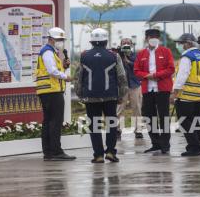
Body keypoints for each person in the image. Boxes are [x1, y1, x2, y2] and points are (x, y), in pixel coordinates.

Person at [75, 28, 128, 163]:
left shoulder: (84, 56)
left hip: (90, 97)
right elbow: (122, 77)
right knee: (111, 124)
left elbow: (78, 77)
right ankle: (110, 152)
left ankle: (98, 155)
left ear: (91, 41)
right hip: (110, 96)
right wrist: (121, 95)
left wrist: (80, 94)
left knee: (94, 126)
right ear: (105, 41)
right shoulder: (114, 56)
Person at [36, 27, 76, 161]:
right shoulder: (47, 51)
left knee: (48, 122)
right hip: (51, 91)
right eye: (59, 39)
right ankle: (56, 151)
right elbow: (51, 70)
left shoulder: (52, 52)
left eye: (62, 40)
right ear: (51, 39)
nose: (61, 42)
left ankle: (48, 152)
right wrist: (66, 76)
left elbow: (54, 69)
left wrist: (64, 66)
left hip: (49, 91)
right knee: (55, 122)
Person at [134, 28, 175, 154]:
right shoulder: (141, 54)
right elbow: (136, 70)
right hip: (148, 89)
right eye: (150, 37)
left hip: (162, 88)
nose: (153, 39)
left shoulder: (166, 51)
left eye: (155, 37)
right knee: (148, 116)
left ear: (159, 39)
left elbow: (171, 68)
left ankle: (165, 144)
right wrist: (147, 76)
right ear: (146, 39)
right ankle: (155, 143)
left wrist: (157, 75)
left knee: (164, 116)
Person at [171, 33, 200, 156]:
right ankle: (195, 146)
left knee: (184, 121)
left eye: (181, 43)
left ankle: (195, 146)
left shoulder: (187, 57)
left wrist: (175, 93)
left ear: (188, 43)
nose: (180, 46)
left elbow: (182, 76)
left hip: (187, 95)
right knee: (197, 121)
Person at [116, 38, 144, 139]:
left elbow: (139, 67)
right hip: (122, 86)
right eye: (124, 43)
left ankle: (138, 130)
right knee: (120, 108)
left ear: (132, 45)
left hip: (135, 85)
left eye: (128, 43)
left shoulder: (136, 55)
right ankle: (118, 129)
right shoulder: (117, 55)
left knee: (137, 107)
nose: (126, 45)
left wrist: (128, 60)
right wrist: (121, 57)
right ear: (120, 45)